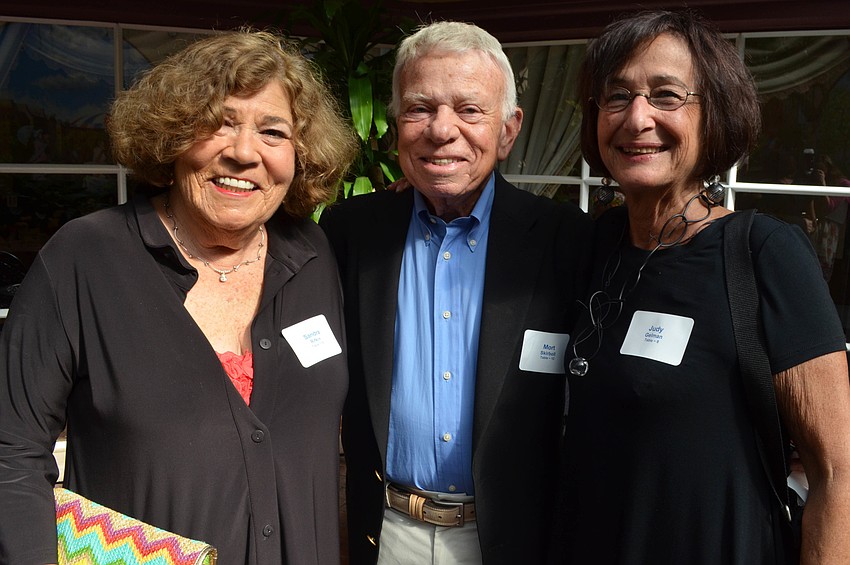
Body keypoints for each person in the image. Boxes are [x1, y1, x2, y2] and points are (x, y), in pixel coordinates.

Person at [0, 30, 357, 565]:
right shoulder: (84, 258)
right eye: (218, 124)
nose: (243, 153)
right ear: (171, 137)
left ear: (300, 156)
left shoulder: (312, 254)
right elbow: (12, 452)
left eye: (273, 132)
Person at [555, 9, 850, 564]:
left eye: (666, 95)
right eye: (616, 97)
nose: (636, 118)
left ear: (714, 114)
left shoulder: (764, 254)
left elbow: (838, 474)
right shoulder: (593, 247)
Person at [320, 20, 591, 565]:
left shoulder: (568, 241)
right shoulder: (351, 232)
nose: (441, 131)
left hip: (510, 539)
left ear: (509, 130)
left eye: (470, 110)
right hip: (386, 531)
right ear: (396, 126)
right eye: (420, 109)